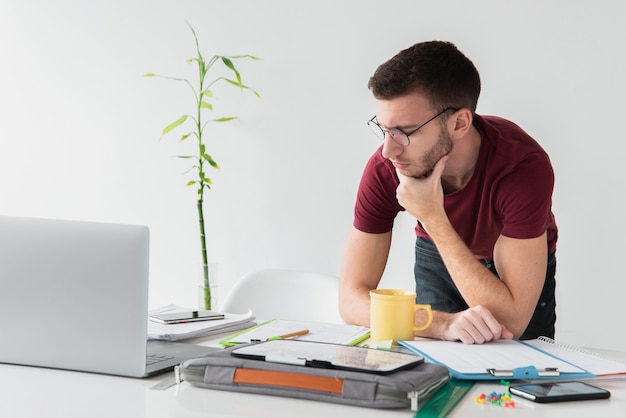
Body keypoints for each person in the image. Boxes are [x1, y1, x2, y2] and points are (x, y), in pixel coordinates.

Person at [338, 41, 557, 344]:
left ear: (459, 123)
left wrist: (433, 217)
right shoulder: (386, 166)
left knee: (517, 376)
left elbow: (510, 323)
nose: (389, 149)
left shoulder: (522, 167)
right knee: (440, 371)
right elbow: (350, 300)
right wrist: (439, 324)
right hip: (436, 255)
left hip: (513, 263)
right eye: (385, 128)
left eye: (405, 131)